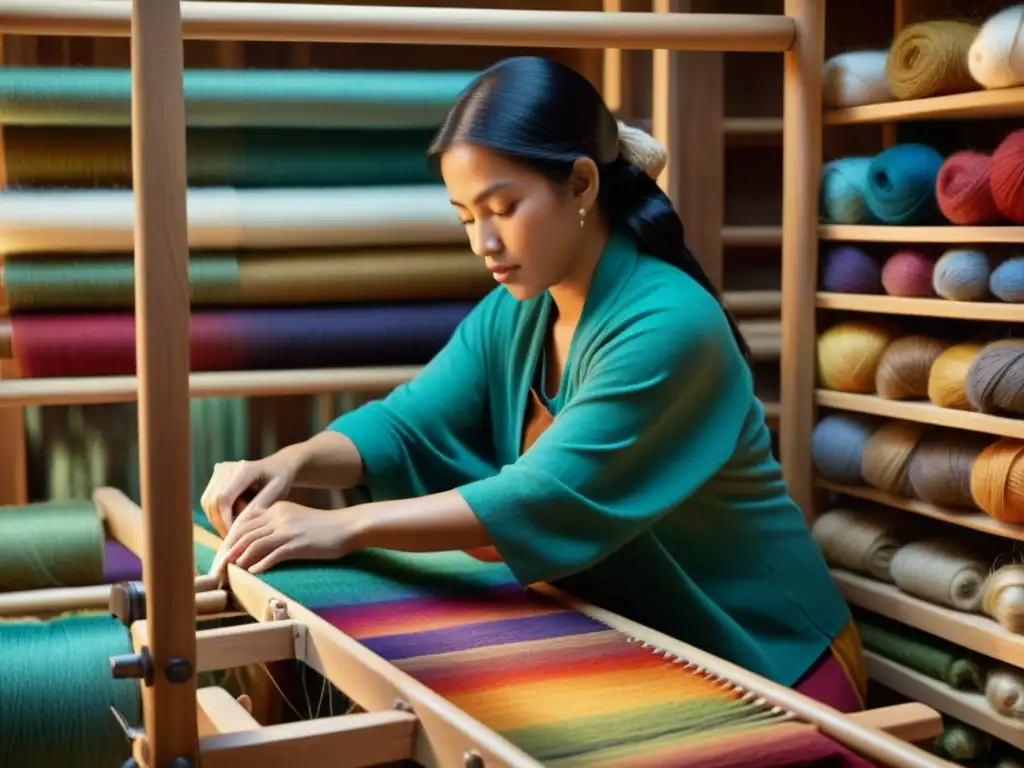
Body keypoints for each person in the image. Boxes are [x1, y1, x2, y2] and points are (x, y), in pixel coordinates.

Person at [200, 56, 866, 713]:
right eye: (466, 216)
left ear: (580, 185)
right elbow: (410, 423)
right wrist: (287, 463)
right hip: (635, 644)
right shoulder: (522, 308)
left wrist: (344, 526)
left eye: (503, 207)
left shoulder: (669, 325)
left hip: (771, 665)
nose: (483, 242)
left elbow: (542, 494)